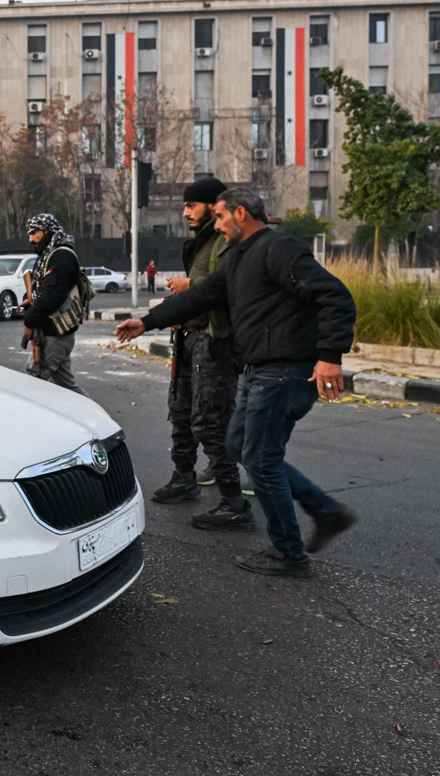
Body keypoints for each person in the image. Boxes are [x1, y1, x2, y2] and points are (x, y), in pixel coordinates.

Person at [116, 188, 357, 578]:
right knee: (239, 446)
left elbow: (336, 297)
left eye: (221, 216)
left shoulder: (278, 249)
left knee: (260, 459)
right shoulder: (237, 258)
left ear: (241, 213)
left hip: (283, 371)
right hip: (257, 369)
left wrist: (330, 356)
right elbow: (200, 296)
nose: (217, 225)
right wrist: (147, 322)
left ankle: (289, 553)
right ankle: (326, 511)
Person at [151, 176, 251, 530]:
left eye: (191, 205)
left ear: (213, 205)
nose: (185, 212)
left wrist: (188, 286)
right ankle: (184, 477)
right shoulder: (202, 242)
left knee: (209, 420)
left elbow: (226, 287)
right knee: (179, 411)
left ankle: (233, 502)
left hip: (213, 341)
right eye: (185, 205)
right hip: (189, 338)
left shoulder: (225, 241)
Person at [20, 213, 86, 394]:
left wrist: (29, 319)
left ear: (48, 231)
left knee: (35, 381)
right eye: (29, 233)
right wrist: (29, 301)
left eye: (35, 232)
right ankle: (87, 411)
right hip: (51, 333)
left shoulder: (62, 256)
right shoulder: (48, 255)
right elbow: (42, 289)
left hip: (56, 334)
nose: (31, 239)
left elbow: (52, 297)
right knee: (66, 387)